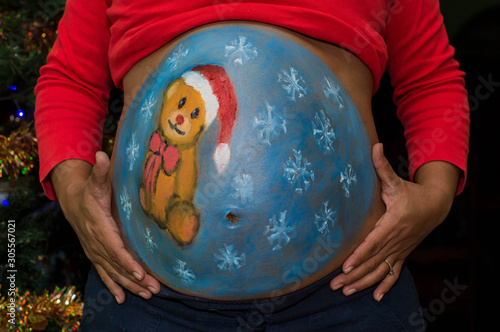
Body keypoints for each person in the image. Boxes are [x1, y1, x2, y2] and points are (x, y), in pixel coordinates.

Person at [34, 0, 469, 330]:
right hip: (144, 295)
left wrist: (435, 195)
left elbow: (429, 80)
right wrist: (73, 195)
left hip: (350, 291)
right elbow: (72, 80)